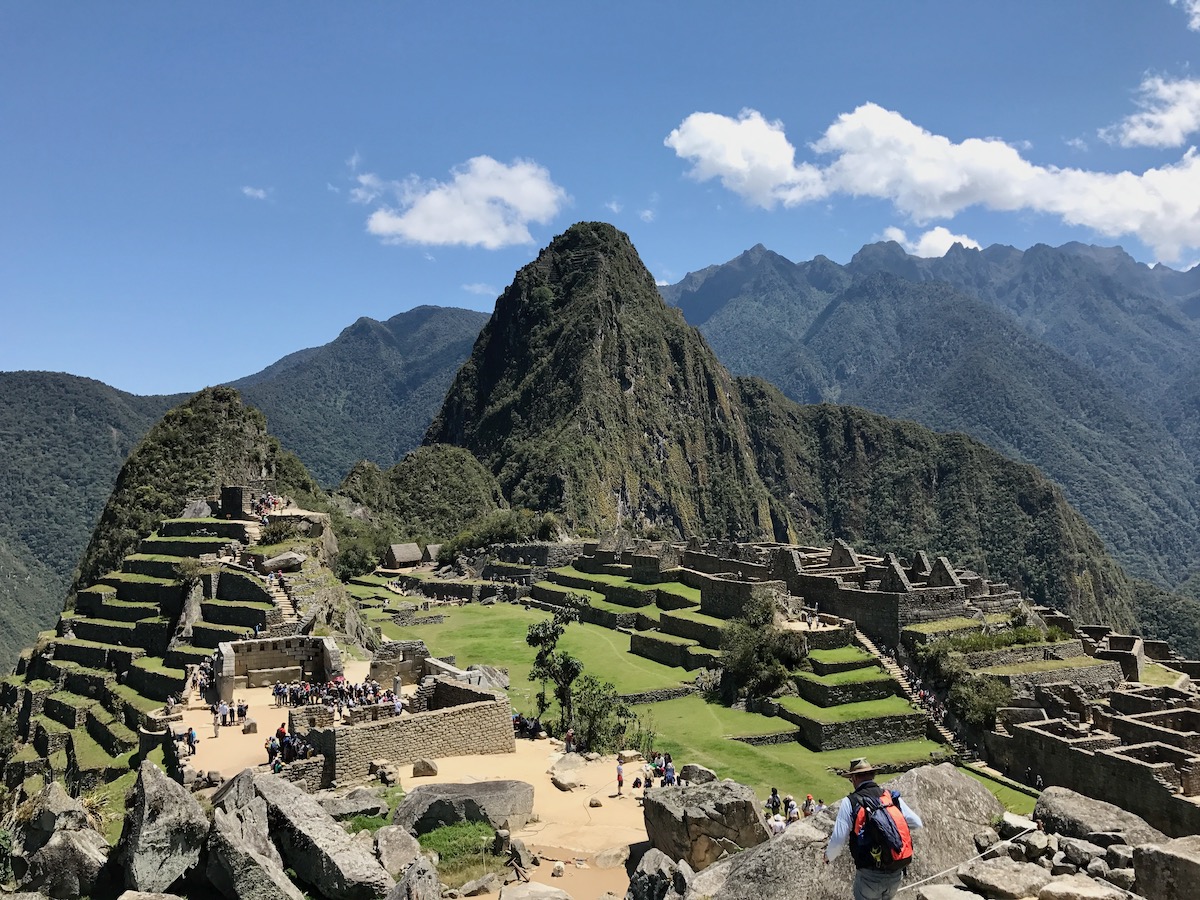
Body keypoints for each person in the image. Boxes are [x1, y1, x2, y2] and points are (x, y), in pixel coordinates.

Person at [825, 758, 923, 900]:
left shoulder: (851, 801)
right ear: (872, 775)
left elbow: (838, 840)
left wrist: (828, 857)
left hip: (869, 875)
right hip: (896, 870)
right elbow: (916, 823)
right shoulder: (889, 796)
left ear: (854, 778)